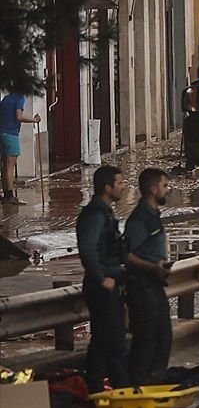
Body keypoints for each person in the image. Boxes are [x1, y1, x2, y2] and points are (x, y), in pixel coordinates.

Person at [76, 164, 130, 392]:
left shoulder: (106, 212)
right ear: (107, 188)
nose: (123, 186)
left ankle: (112, 389)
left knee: (112, 340)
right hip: (102, 286)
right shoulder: (95, 214)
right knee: (106, 341)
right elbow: (87, 248)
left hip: (111, 281)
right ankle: (101, 391)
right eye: (119, 183)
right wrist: (101, 278)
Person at [121, 167, 174, 386]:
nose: (168, 190)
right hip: (142, 288)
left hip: (154, 285)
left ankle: (155, 380)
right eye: (165, 186)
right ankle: (140, 384)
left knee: (164, 336)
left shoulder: (153, 215)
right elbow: (126, 255)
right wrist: (152, 267)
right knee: (146, 339)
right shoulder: (140, 219)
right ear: (153, 189)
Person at [1, 88, 40, 204]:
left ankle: (6, 194)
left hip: (1, 133)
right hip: (11, 134)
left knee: (4, 166)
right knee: (10, 166)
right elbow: (19, 116)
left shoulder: (5, 99)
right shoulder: (19, 99)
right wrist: (34, 120)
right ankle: (10, 196)